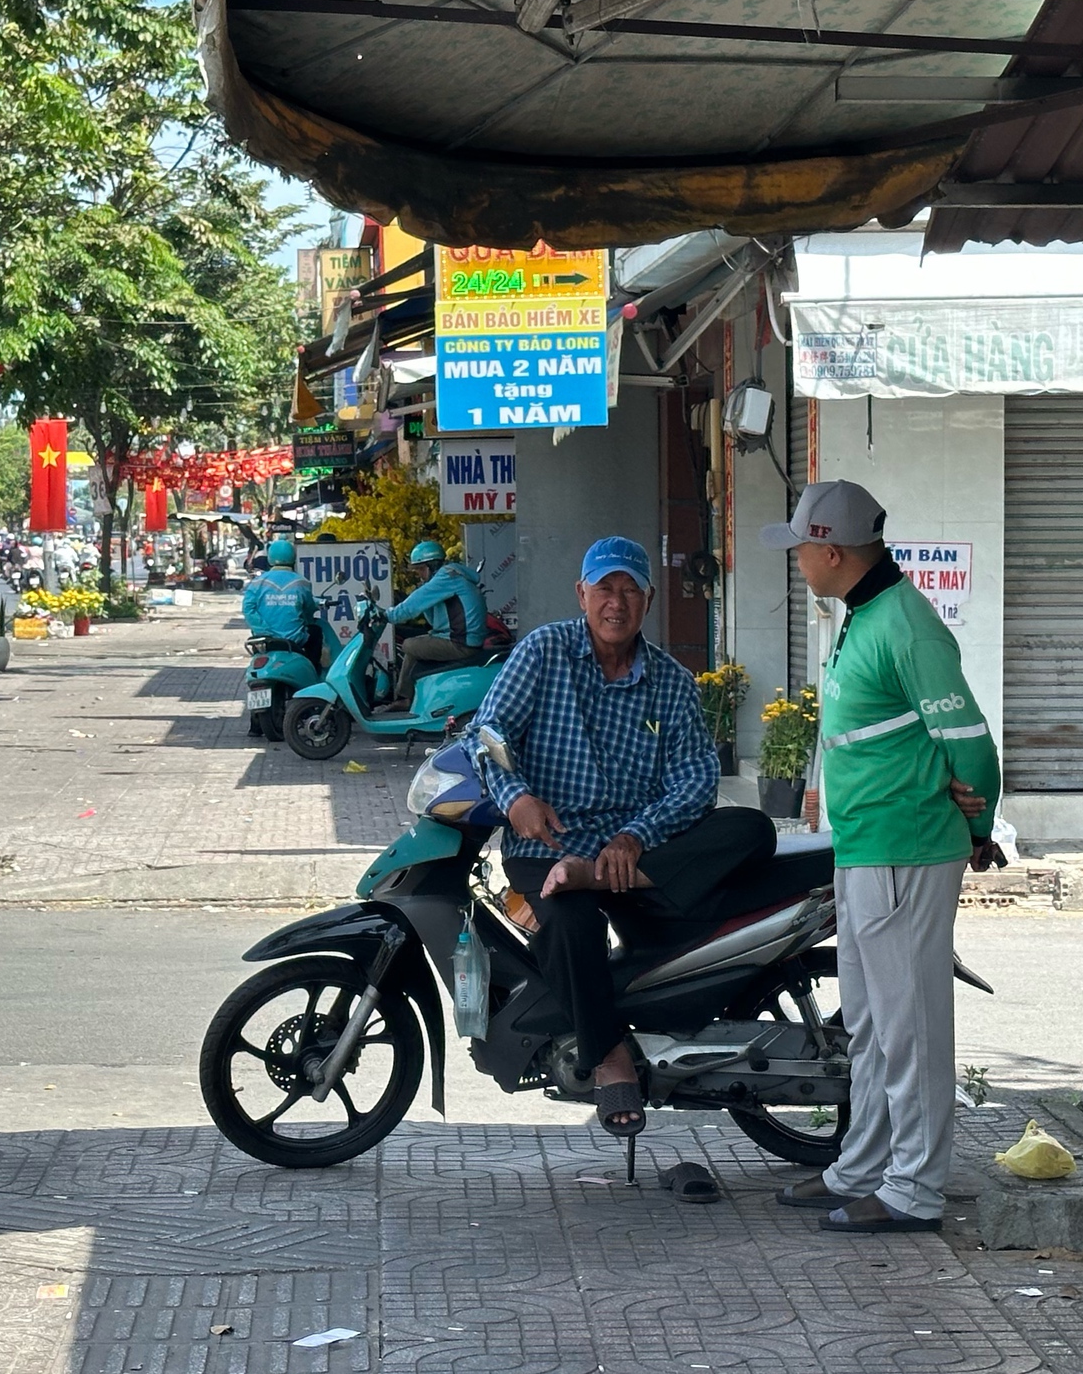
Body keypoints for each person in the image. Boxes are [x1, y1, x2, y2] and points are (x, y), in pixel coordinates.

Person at [760, 480, 1001, 1234]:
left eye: (801, 546)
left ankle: (915, 1189)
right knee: (868, 1023)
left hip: (905, 849)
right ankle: (861, 1166)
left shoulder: (906, 625)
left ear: (831, 550)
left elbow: (969, 744)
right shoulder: (861, 614)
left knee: (910, 1027)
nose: (796, 559)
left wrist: (979, 821)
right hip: (865, 847)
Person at [472, 536, 770, 1139]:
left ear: (648, 599)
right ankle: (607, 1058)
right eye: (604, 588)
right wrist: (517, 798)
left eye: (629, 589)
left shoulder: (670, 681)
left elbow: (695, 779)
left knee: (752, 828)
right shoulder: (544, 651)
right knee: (571, 923)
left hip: (638, 851)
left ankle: (615, 886)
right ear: (582, 594)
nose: (617, 602)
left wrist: (635, 836)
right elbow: (488, 732)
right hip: (551, 847)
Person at [378, 539, 488, 711]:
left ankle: (408, 698)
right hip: (462, 639)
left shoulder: (445, 577)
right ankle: (405, 698)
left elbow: (410, 608)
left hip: (460, 643)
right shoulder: (453, 574)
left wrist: (387, 615)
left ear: (432, 566)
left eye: (421, 569)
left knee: (408, 645)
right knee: (415, 648)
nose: (420, 574)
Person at [241, 538, 321, 661]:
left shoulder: (258, 582)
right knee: (316, 632)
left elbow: (248, 609)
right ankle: (314, 672)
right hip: (295, 640)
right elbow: (309, 610)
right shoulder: (302, 583)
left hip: (264, 641)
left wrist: (263, 631)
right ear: (293, 558)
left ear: (270, 558)